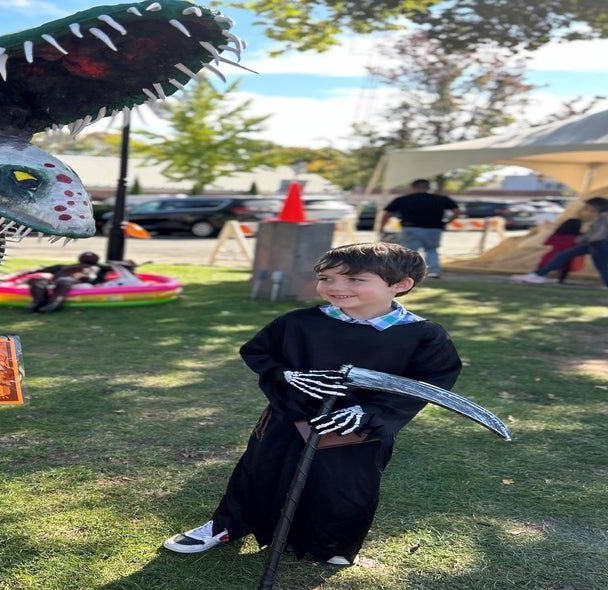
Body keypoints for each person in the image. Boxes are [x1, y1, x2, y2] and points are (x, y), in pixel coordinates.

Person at [163, 242, 462, 564]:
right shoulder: (299, 323)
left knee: (343, 486)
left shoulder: (422, 335)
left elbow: (429, 382)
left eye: (354, 280)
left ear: (400, 285)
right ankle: (227, 525)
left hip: (359, 428)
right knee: (259, 472)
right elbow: (258, 352)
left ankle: (332, 543)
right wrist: (286, 376)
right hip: (289, 418)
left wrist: (369, 412)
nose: (335, 287)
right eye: (326, 278)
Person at [512, 197, 608, 289]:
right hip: (594, 242)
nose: (587, 207)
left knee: (601, 266)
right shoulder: (604, 215)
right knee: (564, 255)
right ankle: (538, 275)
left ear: (598, 205)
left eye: (589, 205)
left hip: (602, 243)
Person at [379, 179, 460, 279]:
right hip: (434, 228)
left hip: (410, 228)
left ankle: (406, 272)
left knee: (408, 251)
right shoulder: (441, 199)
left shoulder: (403, 199)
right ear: (428, 188)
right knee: (431, 250)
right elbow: (457, 211)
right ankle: (433, 272)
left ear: (413, 188)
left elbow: (387, 214)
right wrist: (446, 222)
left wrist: (382, 228)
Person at [23, 252, 112, 313]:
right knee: (37, 281)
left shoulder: (99, 267)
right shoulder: (65, 266)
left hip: (77, 280)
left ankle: (55, 302)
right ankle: (37, 301)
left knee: (64, 281)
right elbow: (40, 270)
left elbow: (115, 268)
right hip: (58, 280)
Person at [535, 217, 584, 284]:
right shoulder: (579, 236)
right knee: (565, 268)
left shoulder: (557, 234)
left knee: (543, 265)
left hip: (552, 254)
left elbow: (546, 243)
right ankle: (561, 281)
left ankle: (537, 276)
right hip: (568, 256)